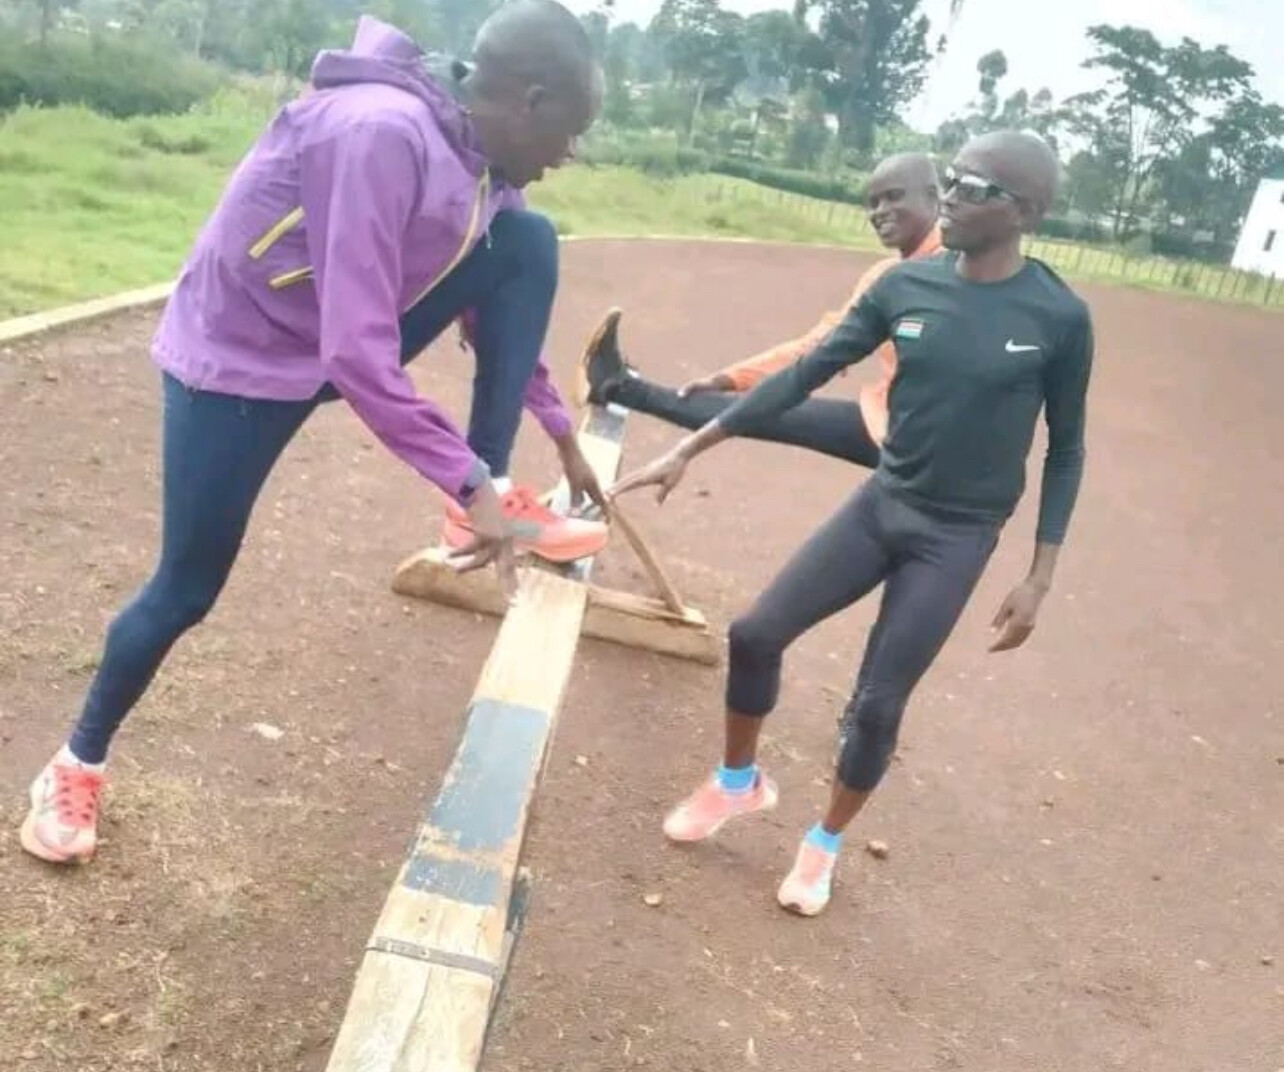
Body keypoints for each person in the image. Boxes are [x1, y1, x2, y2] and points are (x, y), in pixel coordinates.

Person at [20, 3, 608, 865]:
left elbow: (492, 304)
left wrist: (557, 432)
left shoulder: (484, 160)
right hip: (236, 363)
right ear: (531, 100)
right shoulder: (379, 133)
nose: (571, 153)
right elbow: (358, 351)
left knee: (527, 240)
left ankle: (482, 491)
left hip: (329, 341)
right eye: (572, 130)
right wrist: (465, 480)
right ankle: (76, 764)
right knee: (186, 587)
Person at [610, 131, 1094, 917]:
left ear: (1027, 213)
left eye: (976, 188)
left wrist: (1039, 577)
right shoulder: (906, 287)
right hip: (884, 502)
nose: (953, 196)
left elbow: (1066, 448)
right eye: (952, 179)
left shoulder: (1059, 317)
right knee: (755, 634)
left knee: (876, 705)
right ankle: (738, 783)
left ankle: (823, 844)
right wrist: (693, 445)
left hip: (957, 535)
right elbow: (806, 372)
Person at [577, 152, 943, 469]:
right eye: (873, 203)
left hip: (937, 451)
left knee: (766, 411)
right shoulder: (886, 277)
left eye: (894, 197)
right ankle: (617, 386)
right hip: (891, 425)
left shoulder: (958, 271)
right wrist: (728, 379)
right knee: (761, 408)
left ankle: (617, 386)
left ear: (933, 197)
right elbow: (818, 346)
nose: (880, 212)